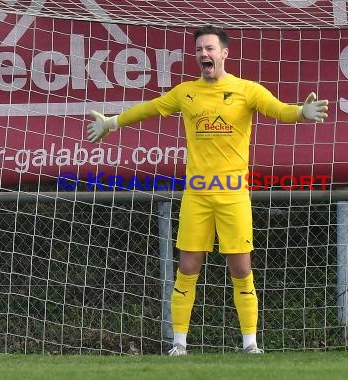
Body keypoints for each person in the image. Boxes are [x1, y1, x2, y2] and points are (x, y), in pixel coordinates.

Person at [87, 25, 328, 355]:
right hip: (197, 195)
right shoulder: (185, 92)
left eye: (210, 48)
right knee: (188, 267)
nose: (204, 54)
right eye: (200, 49)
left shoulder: (247, 90)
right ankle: (179, 345)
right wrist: (111, 123)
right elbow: (149, 109)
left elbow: (278, 109)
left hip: (233, 195)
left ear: (224, 53)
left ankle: (250, 344)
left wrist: (301, 112)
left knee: (242, 269)